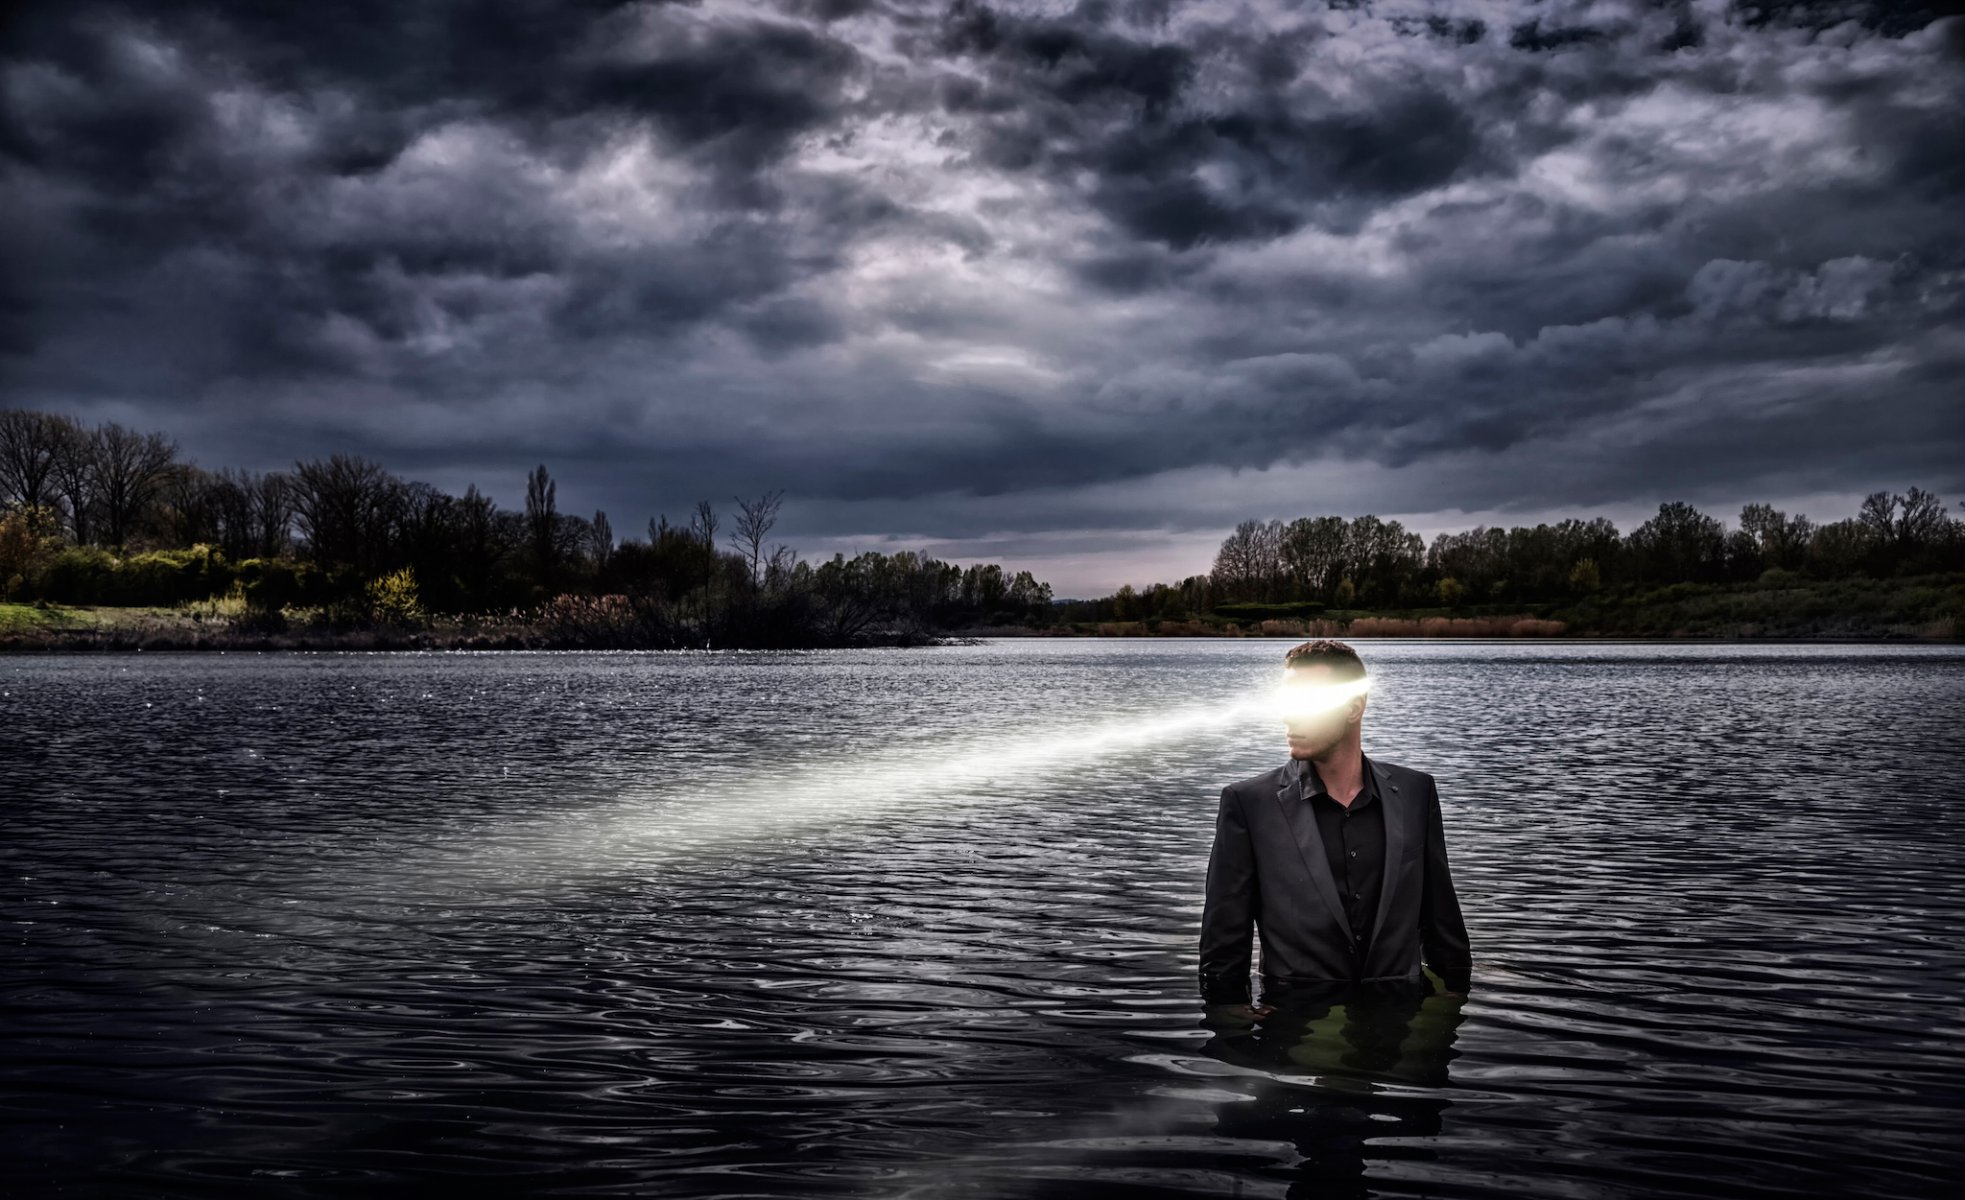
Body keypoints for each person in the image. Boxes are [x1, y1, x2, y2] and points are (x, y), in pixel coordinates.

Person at [1198, 638, 1471, 1023]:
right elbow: (1223, 945)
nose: (1289, 718)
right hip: (1294, 1026)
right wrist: (1234, 1030)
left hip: (1399, 1023)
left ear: (1353, 707)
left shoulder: (1415, 792)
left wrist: (1446, 1016)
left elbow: (1444, 927)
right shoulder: (1248, 803)